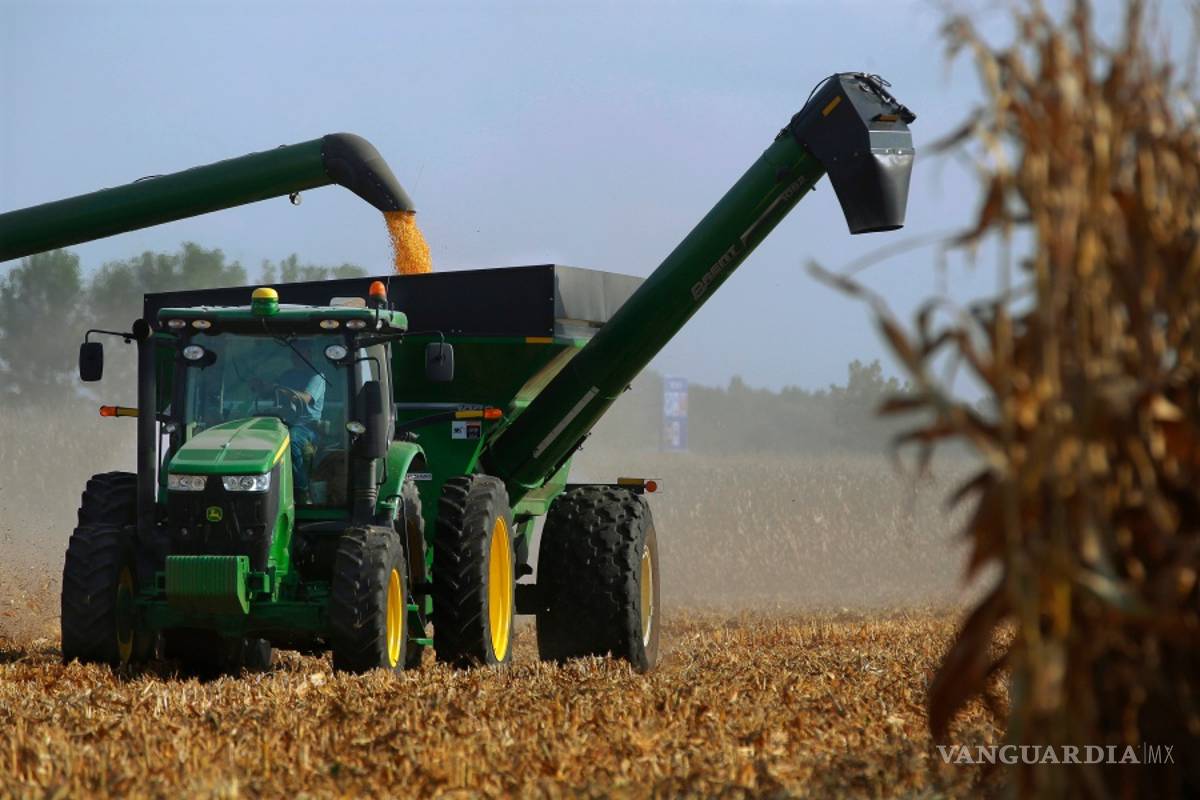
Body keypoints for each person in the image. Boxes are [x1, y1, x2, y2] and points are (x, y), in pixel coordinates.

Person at [249, 342, 326, 502]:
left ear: (309, 355)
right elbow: (270, 393)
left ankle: (301, 490)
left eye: (302, 353)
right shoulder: (288, 375)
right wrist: (261, 387)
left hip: (307, 427)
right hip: (283, 423)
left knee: (293, 441)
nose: (297, 358)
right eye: (295, 354)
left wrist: (281, 390)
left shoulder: (317, 376)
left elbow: (305, 398)